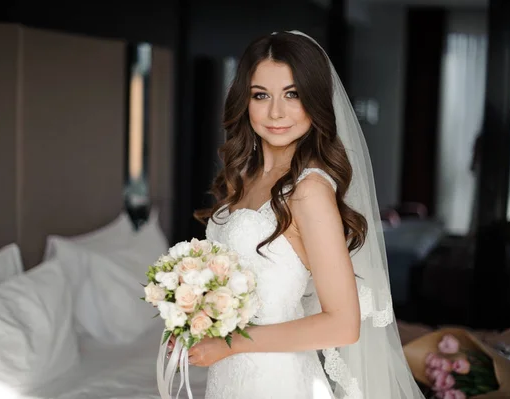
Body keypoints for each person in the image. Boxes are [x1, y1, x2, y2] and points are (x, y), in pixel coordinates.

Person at [171, 31, 425, 399]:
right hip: (230, 378)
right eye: (261, 95)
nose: (276, 112)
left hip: (279, 381)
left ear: (316, 101)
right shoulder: (244, 178)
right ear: (245, 101)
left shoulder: (308, 192)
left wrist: (232, 344)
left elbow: (343, 325)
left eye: (293, 94)